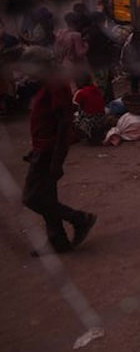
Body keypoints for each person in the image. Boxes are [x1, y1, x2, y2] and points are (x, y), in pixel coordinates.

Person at [19, 47, 96, 254]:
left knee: (32, 198)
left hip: (49, 150)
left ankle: (79, 218)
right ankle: (57, 240)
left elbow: (64, 124)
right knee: (46, 196)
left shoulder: (55, 84)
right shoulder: (50, 83)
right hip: (43, 149)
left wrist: (56, 160)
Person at [82, 12, 117, 102]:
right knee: (102, 84)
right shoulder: (103, 31)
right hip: (102, 62)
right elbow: (110, 46)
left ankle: (106, 101)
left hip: (93, 61)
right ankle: (101, 103)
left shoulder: (87, 31)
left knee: (101, 82)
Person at [73, 72, 109, 145]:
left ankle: (84, 134)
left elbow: (73, 107)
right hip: (102, 119)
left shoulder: (81, 92)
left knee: (72, 118)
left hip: (90, 122)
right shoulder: (96, 89)